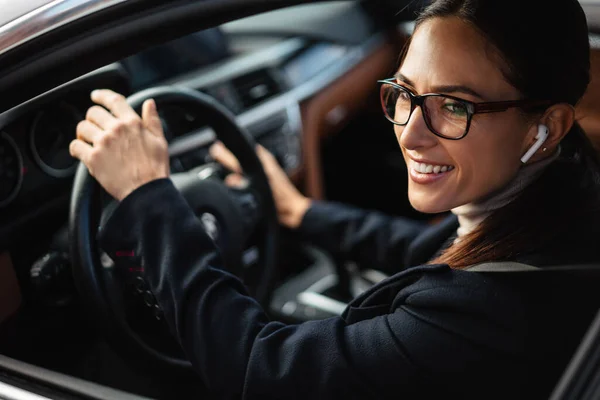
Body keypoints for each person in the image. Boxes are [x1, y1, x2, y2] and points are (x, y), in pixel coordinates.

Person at [69, 0, 600, 398]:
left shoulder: (494, 312)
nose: (412, 134)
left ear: (546, 127)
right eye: (405, 95)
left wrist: (148, 198)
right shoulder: (561, 199)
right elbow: (439, 250)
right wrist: (301, 212)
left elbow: (257, 369)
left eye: (455, 107)